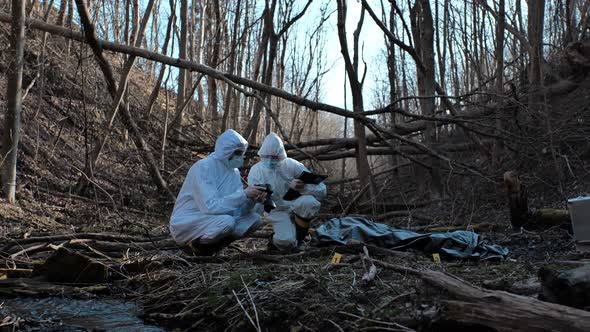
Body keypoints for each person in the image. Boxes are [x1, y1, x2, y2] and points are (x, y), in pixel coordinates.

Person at [169, 129, 268, 255]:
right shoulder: (204, 167)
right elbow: (210, 206)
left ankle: (213, 247)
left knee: (254, 219)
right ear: (226, 151)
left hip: (215, 219)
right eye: (238, 152)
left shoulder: (234, 172)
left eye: (242, 152)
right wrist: (244, 194)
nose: (241, 156)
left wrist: (252, 200)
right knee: (227, 222)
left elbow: (236, 210)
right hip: (188, 221)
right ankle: (195, 247)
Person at [248, 133, 327, 251]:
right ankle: (275, 242)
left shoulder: (292, 165)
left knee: (309, 202)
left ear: (281, 155)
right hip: (277, 211)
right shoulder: (256, 171)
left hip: (295, 205)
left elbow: (322, 190)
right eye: (267, 157)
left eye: (274, 157)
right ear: (261, 155)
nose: (270, 161)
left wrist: (303, 187)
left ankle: (300, 238)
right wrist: (261, 200)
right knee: (286, 242)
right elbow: (255, 205)